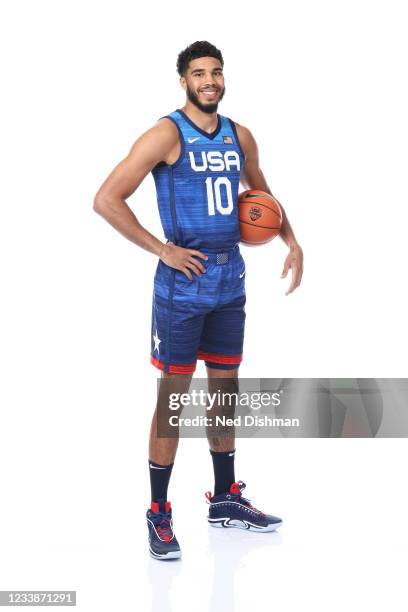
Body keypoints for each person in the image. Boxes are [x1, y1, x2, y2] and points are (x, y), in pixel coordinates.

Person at [94, 40, 304, 560]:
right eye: (198, 73)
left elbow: (263, 198)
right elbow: (106, 198)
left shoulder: (240, 135)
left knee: (225, 391)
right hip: (181, 287)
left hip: (229, 280)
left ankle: (226, 498)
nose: (209, 80)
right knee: (173, 400)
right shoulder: (167, 133)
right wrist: (162, 249)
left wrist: (291, 240)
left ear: (223, 78)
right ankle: (159, 513)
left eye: (216, 72)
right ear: (184, 81)